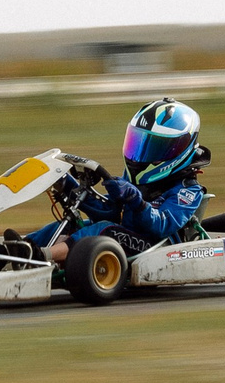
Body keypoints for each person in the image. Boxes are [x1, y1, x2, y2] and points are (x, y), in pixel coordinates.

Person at [33, 98, 208, 262]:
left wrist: (137, 202)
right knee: (65, 226)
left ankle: (43, 255)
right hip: (127, 238)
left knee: (104, 230)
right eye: (139, 144)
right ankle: (18, 250)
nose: (142, 154)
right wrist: (68, 187)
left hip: (158, 249)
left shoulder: (188, 191)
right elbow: (111, 213)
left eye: (155, 148)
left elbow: (162, 225)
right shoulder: (136, 178)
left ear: (179, 150)